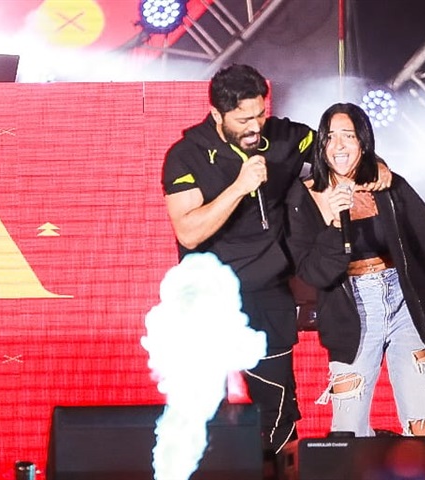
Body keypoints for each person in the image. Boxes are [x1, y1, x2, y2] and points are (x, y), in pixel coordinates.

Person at [161, 65, 390, 454]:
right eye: (243, 120)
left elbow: (337, 151)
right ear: (217, 114)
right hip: (207, 296)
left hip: (267, 293)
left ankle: (280, 468)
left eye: (260, 115)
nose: (255, 127)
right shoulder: (186, 156)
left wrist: (374, 164)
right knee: (204, 409)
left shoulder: (285, 137)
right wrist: (239, 187)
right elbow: (189, 231)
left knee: (279, 407)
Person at [285, 102, 425, 438]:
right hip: (351, 312)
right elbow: (313, 273)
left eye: (348, 136)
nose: (338, 145)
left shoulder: (387, 186)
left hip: (405, 302)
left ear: (363, 143)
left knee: (424, 424)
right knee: (348, 431)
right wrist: (336, 223)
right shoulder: (304, 197)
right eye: (330, 137)